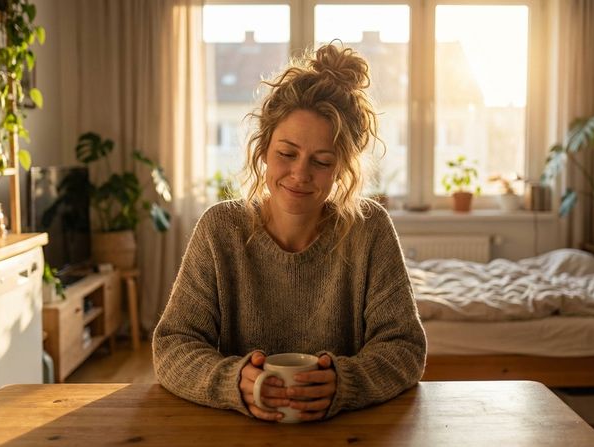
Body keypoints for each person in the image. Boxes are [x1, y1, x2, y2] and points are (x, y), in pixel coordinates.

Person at [152, 43, 426, 422]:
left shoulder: (370, 230)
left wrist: (345, 383)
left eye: (322, 161)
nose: (300, 174)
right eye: (286, 153)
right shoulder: (219, 230)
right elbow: (172, 346)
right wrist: (233, 381)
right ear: (263, 150)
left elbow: (404, 347)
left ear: (341, 168)